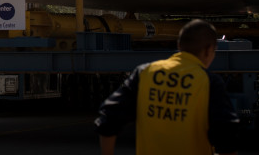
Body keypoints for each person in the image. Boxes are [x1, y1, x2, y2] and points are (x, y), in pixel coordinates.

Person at [95, 19, 240, 155]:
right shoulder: (209, 82)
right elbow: (227, 136)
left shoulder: (144, 73)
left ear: (179, 46)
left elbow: (109, 117)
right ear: (209, 50)